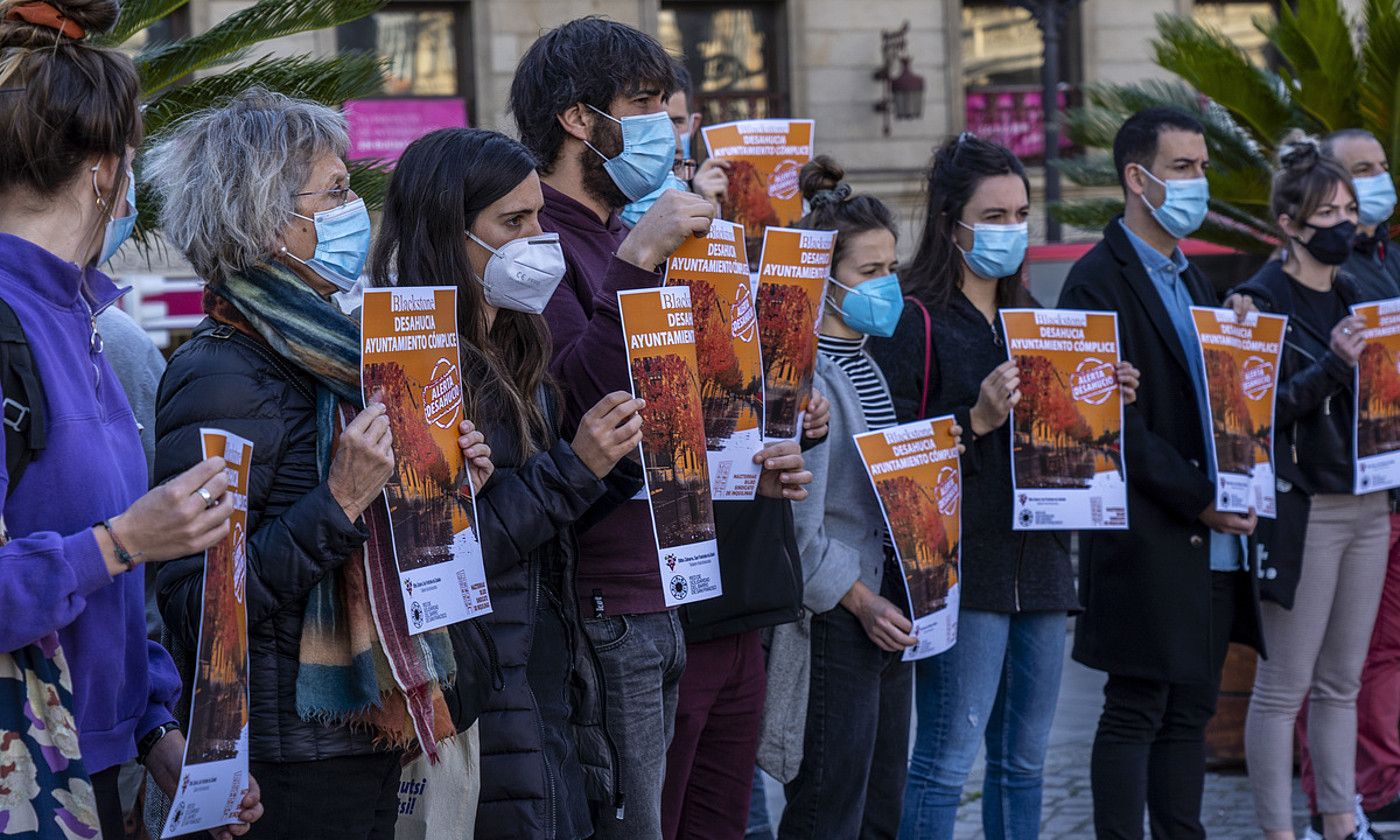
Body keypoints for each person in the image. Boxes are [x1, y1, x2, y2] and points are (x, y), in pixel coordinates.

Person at [149, 89, 490, 839]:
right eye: (335, 192)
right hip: (286, 763)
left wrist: (446, 480)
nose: (354, 209)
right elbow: (194, 602)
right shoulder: (220, 375)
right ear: (271, 221)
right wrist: (336, 502)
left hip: (361, 736)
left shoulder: (343, 353)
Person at [0, 2, 261, 838]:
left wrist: (155, 730)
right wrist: (122, 542)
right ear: (106, 169)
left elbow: (116, 588)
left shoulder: (80, 317)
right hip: (30, 783)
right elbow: (115, 548)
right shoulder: (14, 321)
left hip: (97, 770)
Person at [369, 126, 649, 840]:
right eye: (513, 222)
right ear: (448, 230)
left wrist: (618, 463)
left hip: (542, 677)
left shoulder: (519, 349)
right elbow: (446, 560)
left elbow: (545, 524)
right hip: (482, 691)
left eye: (538, 218)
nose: (537, 240)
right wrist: (574, 468)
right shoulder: (418, 366)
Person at [869, 133, 1139, 839]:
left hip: (1043, 564)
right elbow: (890, 454)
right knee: (945, 759)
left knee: (1025, 762)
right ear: (951, 221)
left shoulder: (1037, 324)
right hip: (961, 572)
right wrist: (976, 420)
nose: (1011, 230)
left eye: (1021, 214)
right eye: (993, 217)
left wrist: (1103, 405)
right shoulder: (912, 319)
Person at [510, 18, 716, 837]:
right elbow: (578, 409)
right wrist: (637, 261)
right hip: (602, 595)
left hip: (663, 579)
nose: (666, 131)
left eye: (669, 110)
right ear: (578, 119)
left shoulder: (615, 232)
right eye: (643, 106)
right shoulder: (535, 241)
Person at [1056, 106, 1264, 840]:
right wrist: (1202, 501)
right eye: (1183, 168)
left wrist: (1235, 343)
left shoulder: (1196, 280)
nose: (1199, 182)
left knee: (1192, 710)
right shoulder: (1094, 282)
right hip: (1149, 536)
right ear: (1136, 179)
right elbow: (1116, 428)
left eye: (1203, 167)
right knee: (1137, 707)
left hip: (1213, 540)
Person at [1232, 133, 1391, 840]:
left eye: (1350, 210)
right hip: (1304, 509)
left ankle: (1337, 820)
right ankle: (1277, 830)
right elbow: (1256, 411)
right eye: (1327, 214)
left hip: (1368, 501)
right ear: (1289, 225)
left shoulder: (1359, 287)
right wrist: (1333, 366)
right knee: (1282, 687)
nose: (1345, 225)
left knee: (1342, 682)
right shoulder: (1258, 300)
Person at [776, 156, 926, 839]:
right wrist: (862, 603)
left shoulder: (866, 360)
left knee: (879, 801)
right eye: (870, 272)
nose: (887, 285)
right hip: (839, 618)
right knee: (830, 804)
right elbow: (798, 525)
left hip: (885, 608)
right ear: (824, 278)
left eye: (892, 268)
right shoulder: (802, 372)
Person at [1290, 128, 1400, 835]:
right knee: (1332, 663)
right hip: (1337, 493)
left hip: (1386, 486)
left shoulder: (1383, 261)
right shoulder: (1328, 276)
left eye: (1382, 168)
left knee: (1377, 650)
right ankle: (1355, 790)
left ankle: (1369, 788)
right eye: (1360, 174)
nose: (1374, 186)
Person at [621, 60, 729, 225]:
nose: (667, 131)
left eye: (676, 121)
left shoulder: (714, 186)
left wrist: (707, 206)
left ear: (694, 124)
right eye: (656, 121)